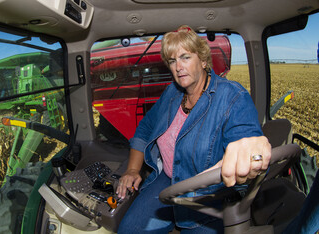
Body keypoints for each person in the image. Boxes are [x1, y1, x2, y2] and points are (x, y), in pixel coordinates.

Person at [116, 25, 271, 233]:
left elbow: (246, 139)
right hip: (166, 180)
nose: (178, 66)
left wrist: (253, 146)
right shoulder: (171, 93)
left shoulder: (232, 97)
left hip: (208, 197)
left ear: (204, 60)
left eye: (185, 57)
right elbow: (144, 129)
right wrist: (133, 169)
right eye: (172, 61)